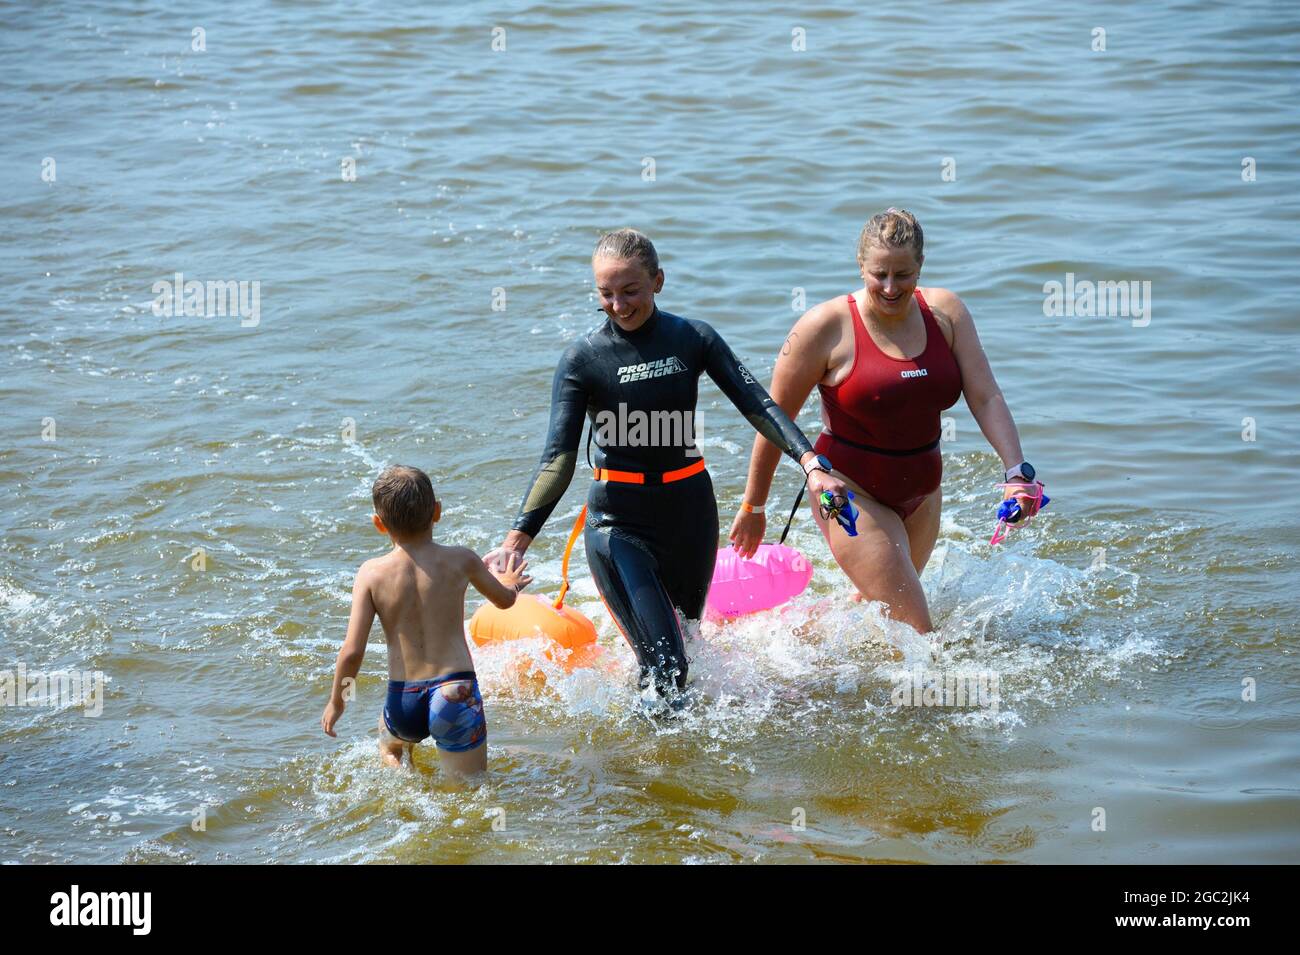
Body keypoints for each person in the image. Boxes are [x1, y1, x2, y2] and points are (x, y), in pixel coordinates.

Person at [487, 229, 847, 705]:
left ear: (658, 280)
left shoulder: (692, 338)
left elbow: (757, 403)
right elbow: (558, 458)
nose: (617, 304)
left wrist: (811, 464)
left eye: (630, 290)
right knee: (668, 667)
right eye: (605, 293)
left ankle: (665, 762)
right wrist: (517, 537)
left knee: (686, 651)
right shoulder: (584, 359)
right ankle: (644, 771)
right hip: (619, 524)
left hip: (690, 516)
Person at [730, 209, 1042, 634]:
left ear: (921, 268)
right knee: (918, 632)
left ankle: (787, 634)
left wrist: (1016, 471)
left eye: (904, 275)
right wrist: (754, 505)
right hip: (848, 496)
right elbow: (773, 417)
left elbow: (986, 396)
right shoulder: (824, 327)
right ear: (860, 266)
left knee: (880, 611)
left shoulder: (946, 314)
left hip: (923, 495)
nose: (891, 287)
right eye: (880, 275)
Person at [322, 464, 528, 777]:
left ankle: (405, 787)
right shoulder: (462, 559)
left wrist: (336, 701)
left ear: (379, 524)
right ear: (437, 512)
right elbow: (505, 600)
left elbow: (352, 650)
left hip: (403, 700)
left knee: (390, 744)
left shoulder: (371, 573)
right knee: (469, 790)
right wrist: (510, 581)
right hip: (454, 692)